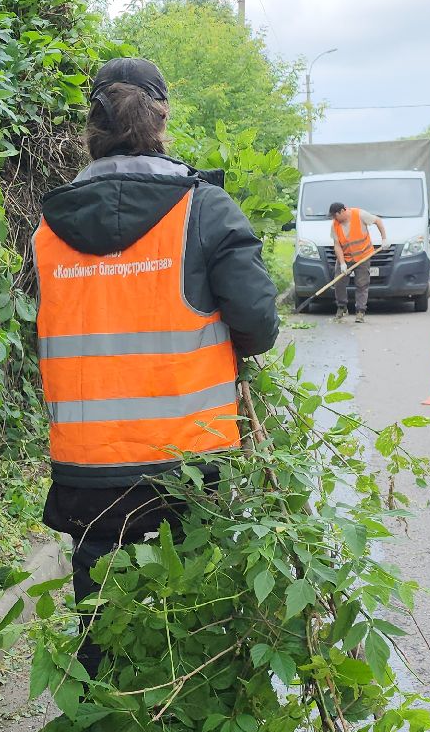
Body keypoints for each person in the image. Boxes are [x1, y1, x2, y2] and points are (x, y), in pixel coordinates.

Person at [33, 57, 280, 678]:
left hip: (87, 468)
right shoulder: (205, 210)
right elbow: (258, 323)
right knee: (196, 618)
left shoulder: (48, 228)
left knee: (102, 618)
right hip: (189, 466)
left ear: (90, 129)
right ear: (161, 120)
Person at [328, 201, 387, 322]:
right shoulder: (335, 225)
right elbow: (337, 245)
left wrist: (384, 239)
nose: (334, 219)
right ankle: (342, 307)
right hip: (346, 258)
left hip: (363, 256)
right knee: (338, 282)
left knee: (362, 284)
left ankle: (360, 311)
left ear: (342, 211)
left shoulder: (359, 215)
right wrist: (342, 263)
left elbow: (378, 221)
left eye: (335, 215)